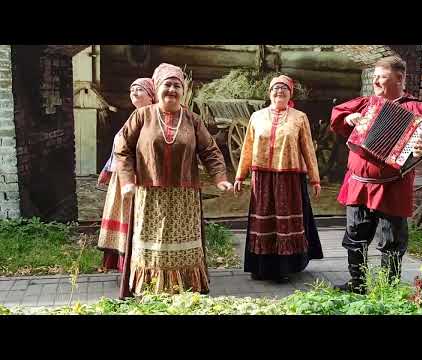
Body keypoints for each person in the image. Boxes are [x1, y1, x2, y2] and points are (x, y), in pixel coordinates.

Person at [115, 63, 232, 296]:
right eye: (167, 85)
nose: (172, 90)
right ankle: (149, 288)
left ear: (184, 90)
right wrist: (127, 181)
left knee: (185, 246)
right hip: (150, 194)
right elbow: (123, 149)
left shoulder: (192, 119)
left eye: (177, 85)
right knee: (152, 244)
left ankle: (186, 288)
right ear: (157, 88)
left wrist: (220, 177)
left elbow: (210, 150)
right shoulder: (142, 116)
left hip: (184, 195)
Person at [330, 56, 422, 294]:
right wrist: (348, 118)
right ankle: (357, 284)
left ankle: (387, 290)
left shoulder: (415, 109)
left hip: (392, 187)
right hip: (358, 184)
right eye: (375, 77)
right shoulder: (365, 103)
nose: (376, 82)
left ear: (399, 78)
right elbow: (337, 117)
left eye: (382, 77)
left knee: (391, 242)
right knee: (355, 237)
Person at [234, 75, 323, 283]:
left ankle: (285, 267)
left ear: (290, 93)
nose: (279, 92)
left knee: (285, 223)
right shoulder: (256, 117)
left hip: (289, 177)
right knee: (263, 222)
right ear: (269, 92)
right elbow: (247, 147)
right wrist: (240, 174)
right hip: (262, 178)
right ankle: (260, 266)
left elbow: (308, 149)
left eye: (284, 88)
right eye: (275, 88)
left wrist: (315, 178)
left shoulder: (299, 118)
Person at [97, 78, 157, 277]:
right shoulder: (133, 116)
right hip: (121, 177)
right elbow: (119, 148)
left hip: (137, 177)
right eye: (132, 89)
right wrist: (107, 171)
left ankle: (138, 265)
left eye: (140, 90)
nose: (134, 93)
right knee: (123, 216)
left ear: (151, 95)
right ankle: (125, 265)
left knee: (135, 218)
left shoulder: (151, 117)